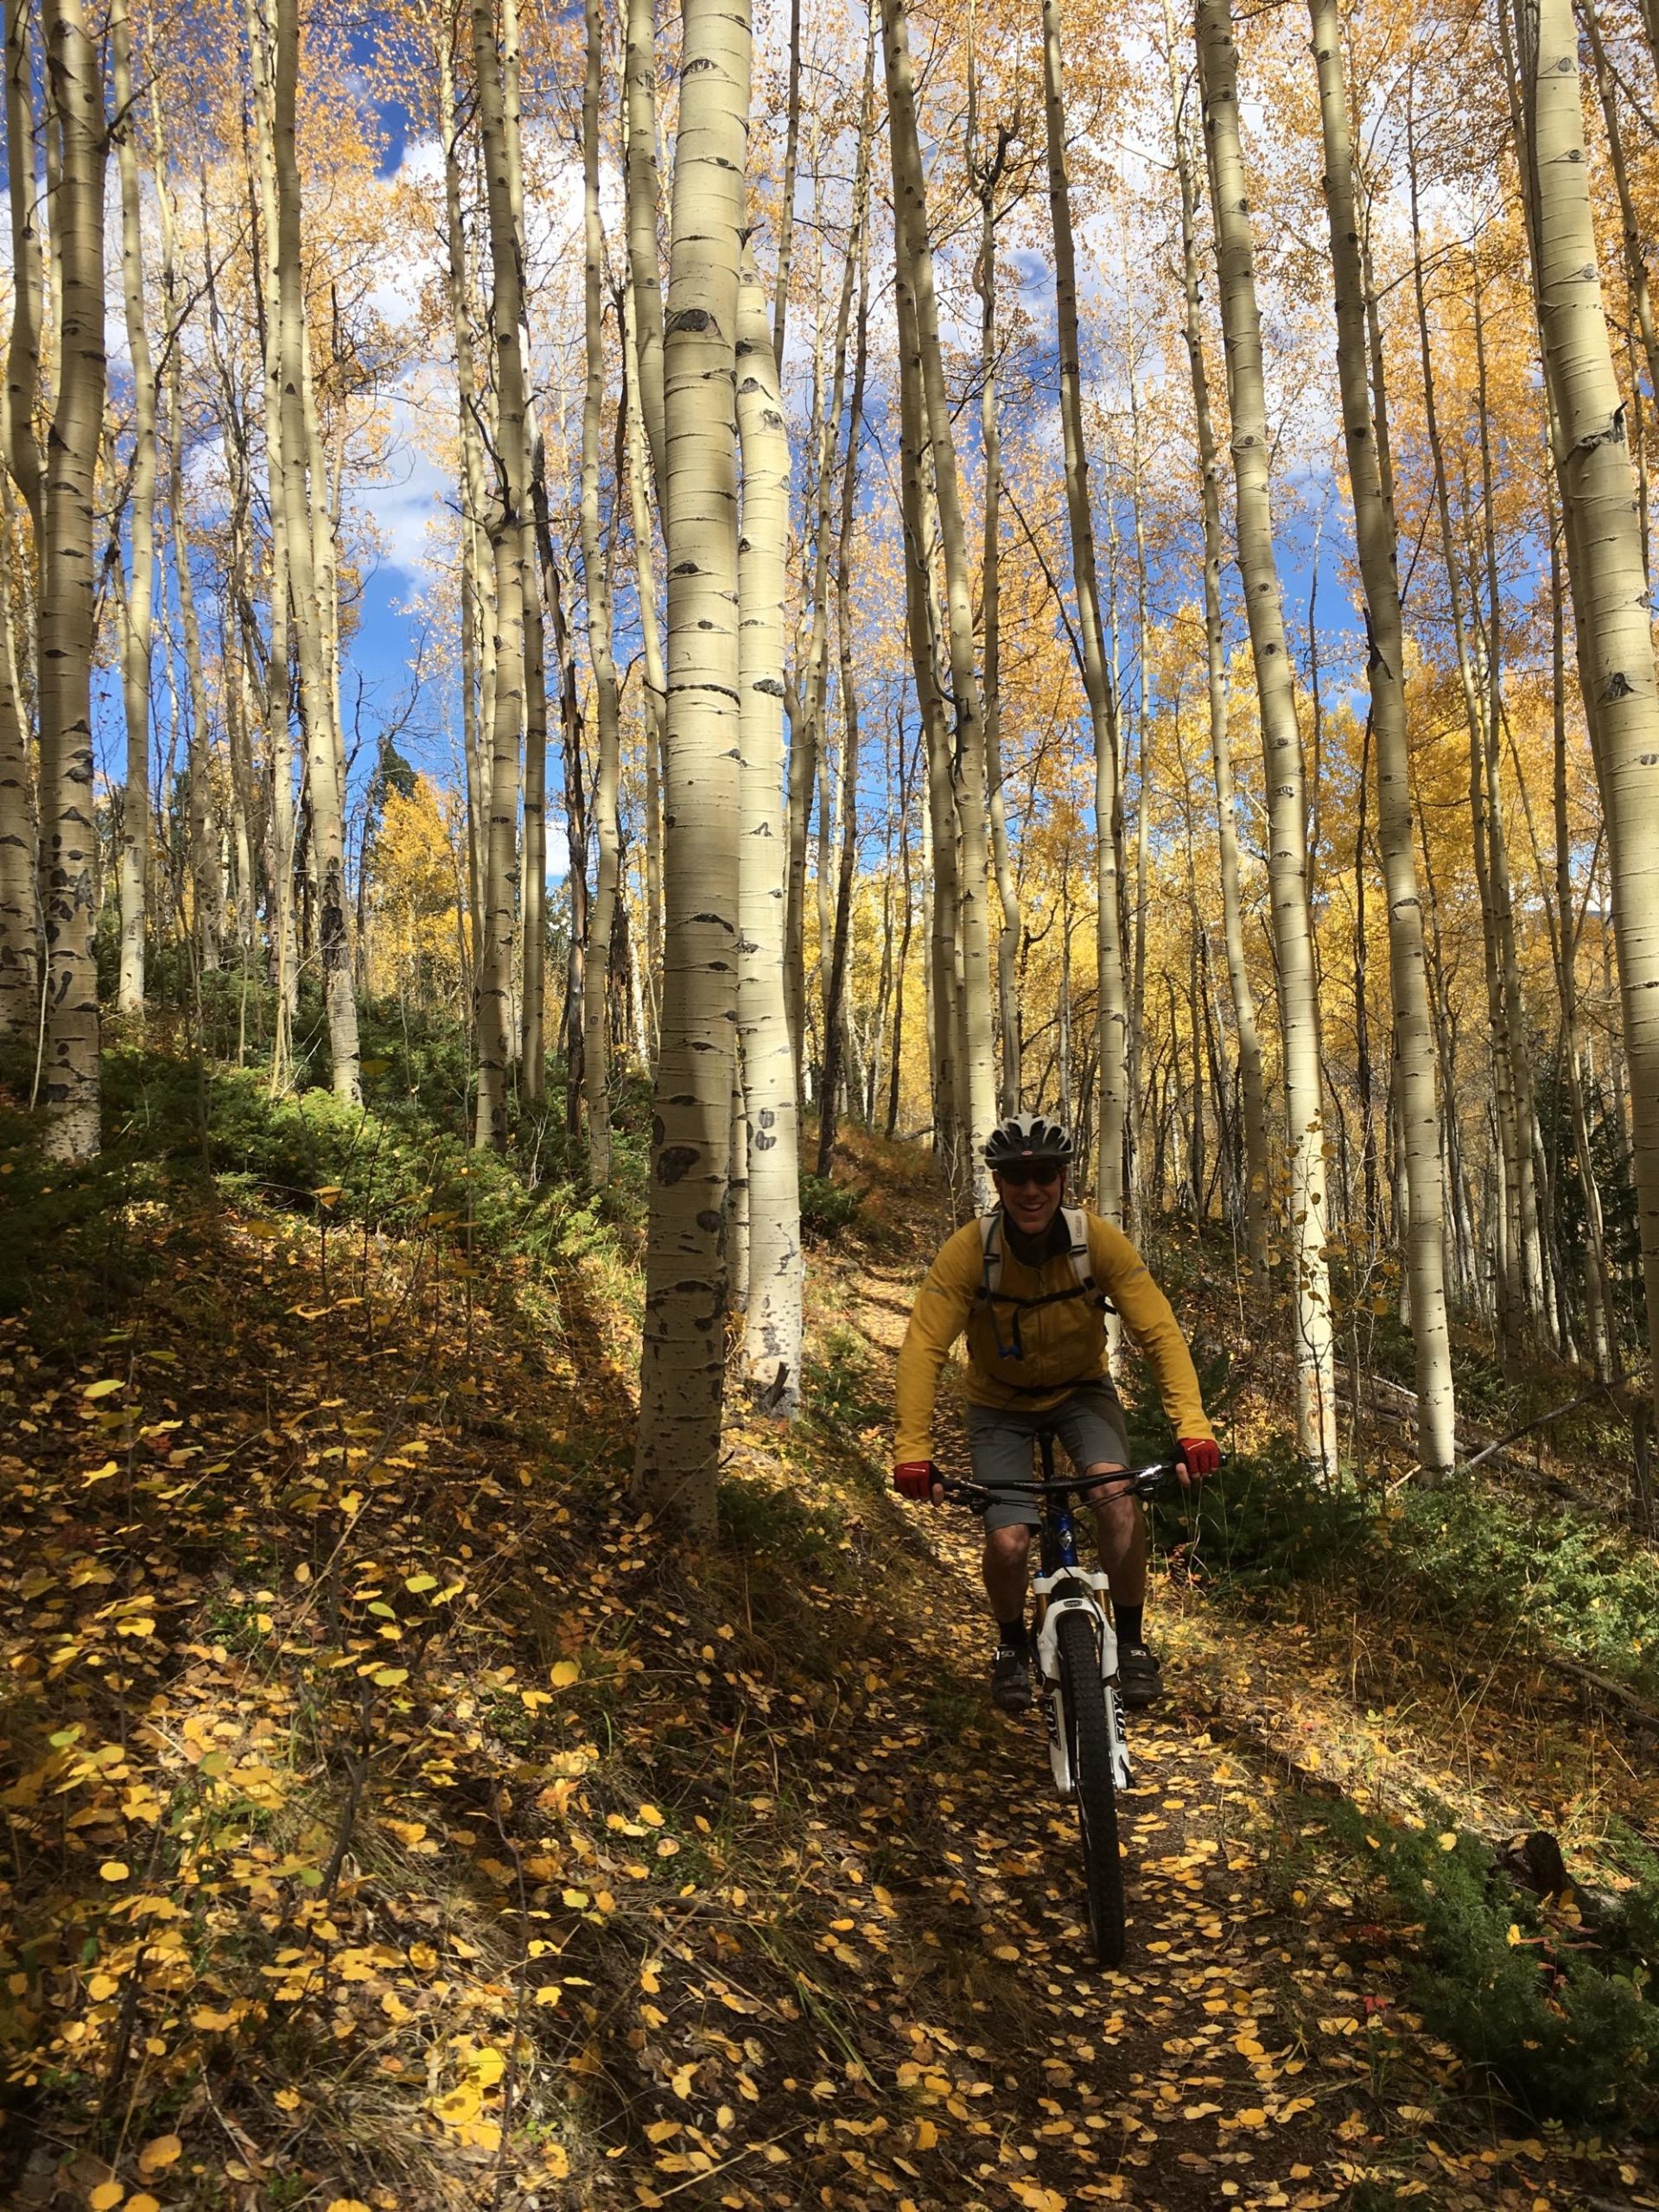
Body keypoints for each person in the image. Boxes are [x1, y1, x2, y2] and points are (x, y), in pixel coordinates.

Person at [892, 1112, 1221, 1714]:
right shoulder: (970, 1252)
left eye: (1044, 1173)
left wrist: (1192, 1428)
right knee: (1011, 1539)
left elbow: (1160, 1333)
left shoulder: (1096, 1241)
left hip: (1081, 1390)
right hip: (998, 1403)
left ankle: (1131, 1639)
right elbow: (923, 1348)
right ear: (998, 1183)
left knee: (1116, 1496)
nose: (1031, 1189)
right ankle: (1010, 1646)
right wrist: (912, 1448)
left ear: (1064, 1178)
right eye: (1017, 1177)